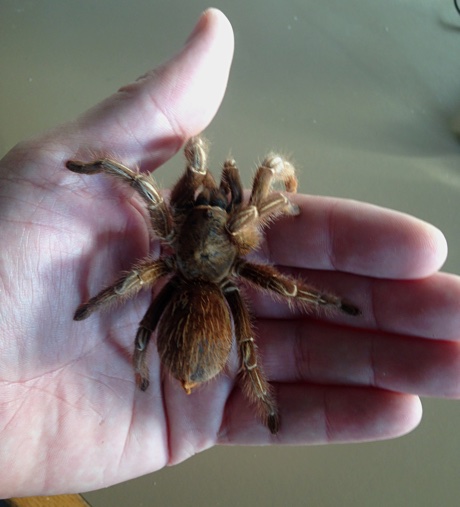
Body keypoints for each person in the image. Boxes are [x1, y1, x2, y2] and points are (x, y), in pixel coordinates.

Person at [0, 8, 459, 498]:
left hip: (183, 290)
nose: (210, 206)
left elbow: (143, 191)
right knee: (250, 347)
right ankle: (259, 396)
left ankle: (218, 385)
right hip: (208, 294)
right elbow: (275, 237)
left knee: (151, 229)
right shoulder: (234, 245)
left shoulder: (164, 250)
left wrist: (107, 320)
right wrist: (279, 194)